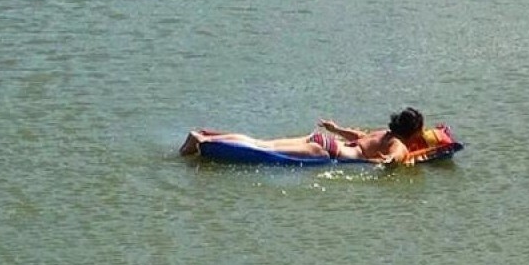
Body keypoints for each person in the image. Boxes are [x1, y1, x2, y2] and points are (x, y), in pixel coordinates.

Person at [180, 108, 426, 164]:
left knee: (262, 143)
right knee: (264, 150)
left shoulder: (383, 133)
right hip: (328, 151)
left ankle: (205, 136)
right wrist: (390, 161)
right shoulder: (399, 144)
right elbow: (396, 155)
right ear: (412, 132)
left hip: (323, 140)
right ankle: (204, 142)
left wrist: (335, 128)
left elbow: (358, 135)